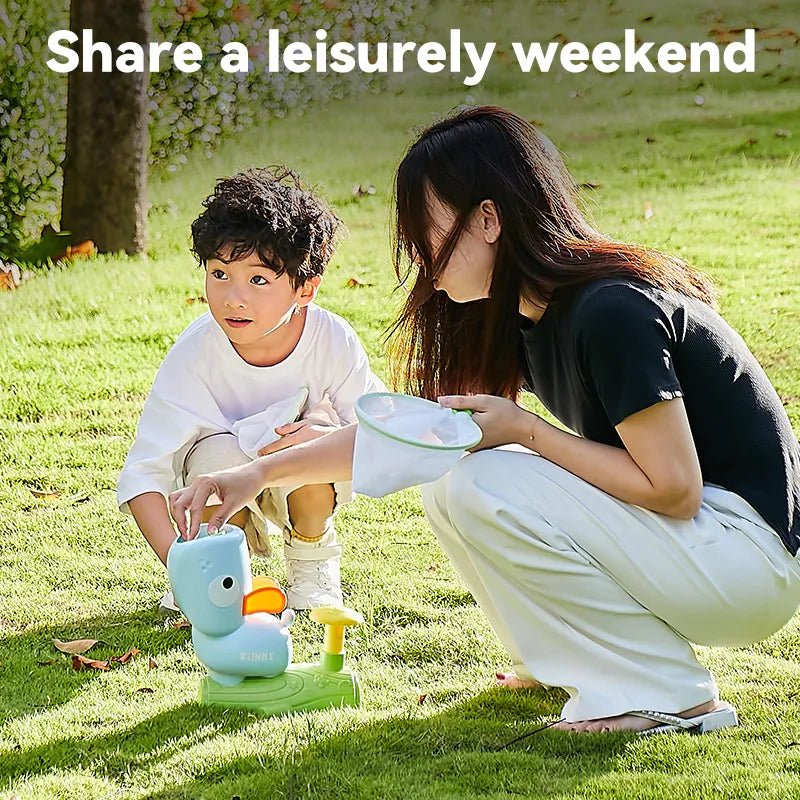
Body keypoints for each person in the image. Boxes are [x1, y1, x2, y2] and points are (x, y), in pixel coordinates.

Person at [168, 107, 800, 734]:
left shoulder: (611, 312)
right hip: (700, 550)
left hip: (749, 560)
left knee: (484, 481)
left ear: (489, 219)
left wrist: (528, 433)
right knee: (453, 481)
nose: (420, 257)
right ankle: (569, 661)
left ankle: (665, 696)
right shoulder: (517, 316)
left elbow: (676, 490)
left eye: (427, 232)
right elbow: (411, 441)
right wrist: (256, 474)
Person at [117, 167, 385, 609]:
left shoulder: (332, 341)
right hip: (220, 487)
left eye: (258, 280)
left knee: (308, 446)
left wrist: (324, 432)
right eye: (219, 273)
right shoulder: (196, 352)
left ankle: (311, 556)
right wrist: (182, 565)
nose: (233, 297)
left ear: (306, 288)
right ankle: (220, 567)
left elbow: (382, 432)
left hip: (298, 486)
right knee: (214, 460)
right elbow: (145, 472)